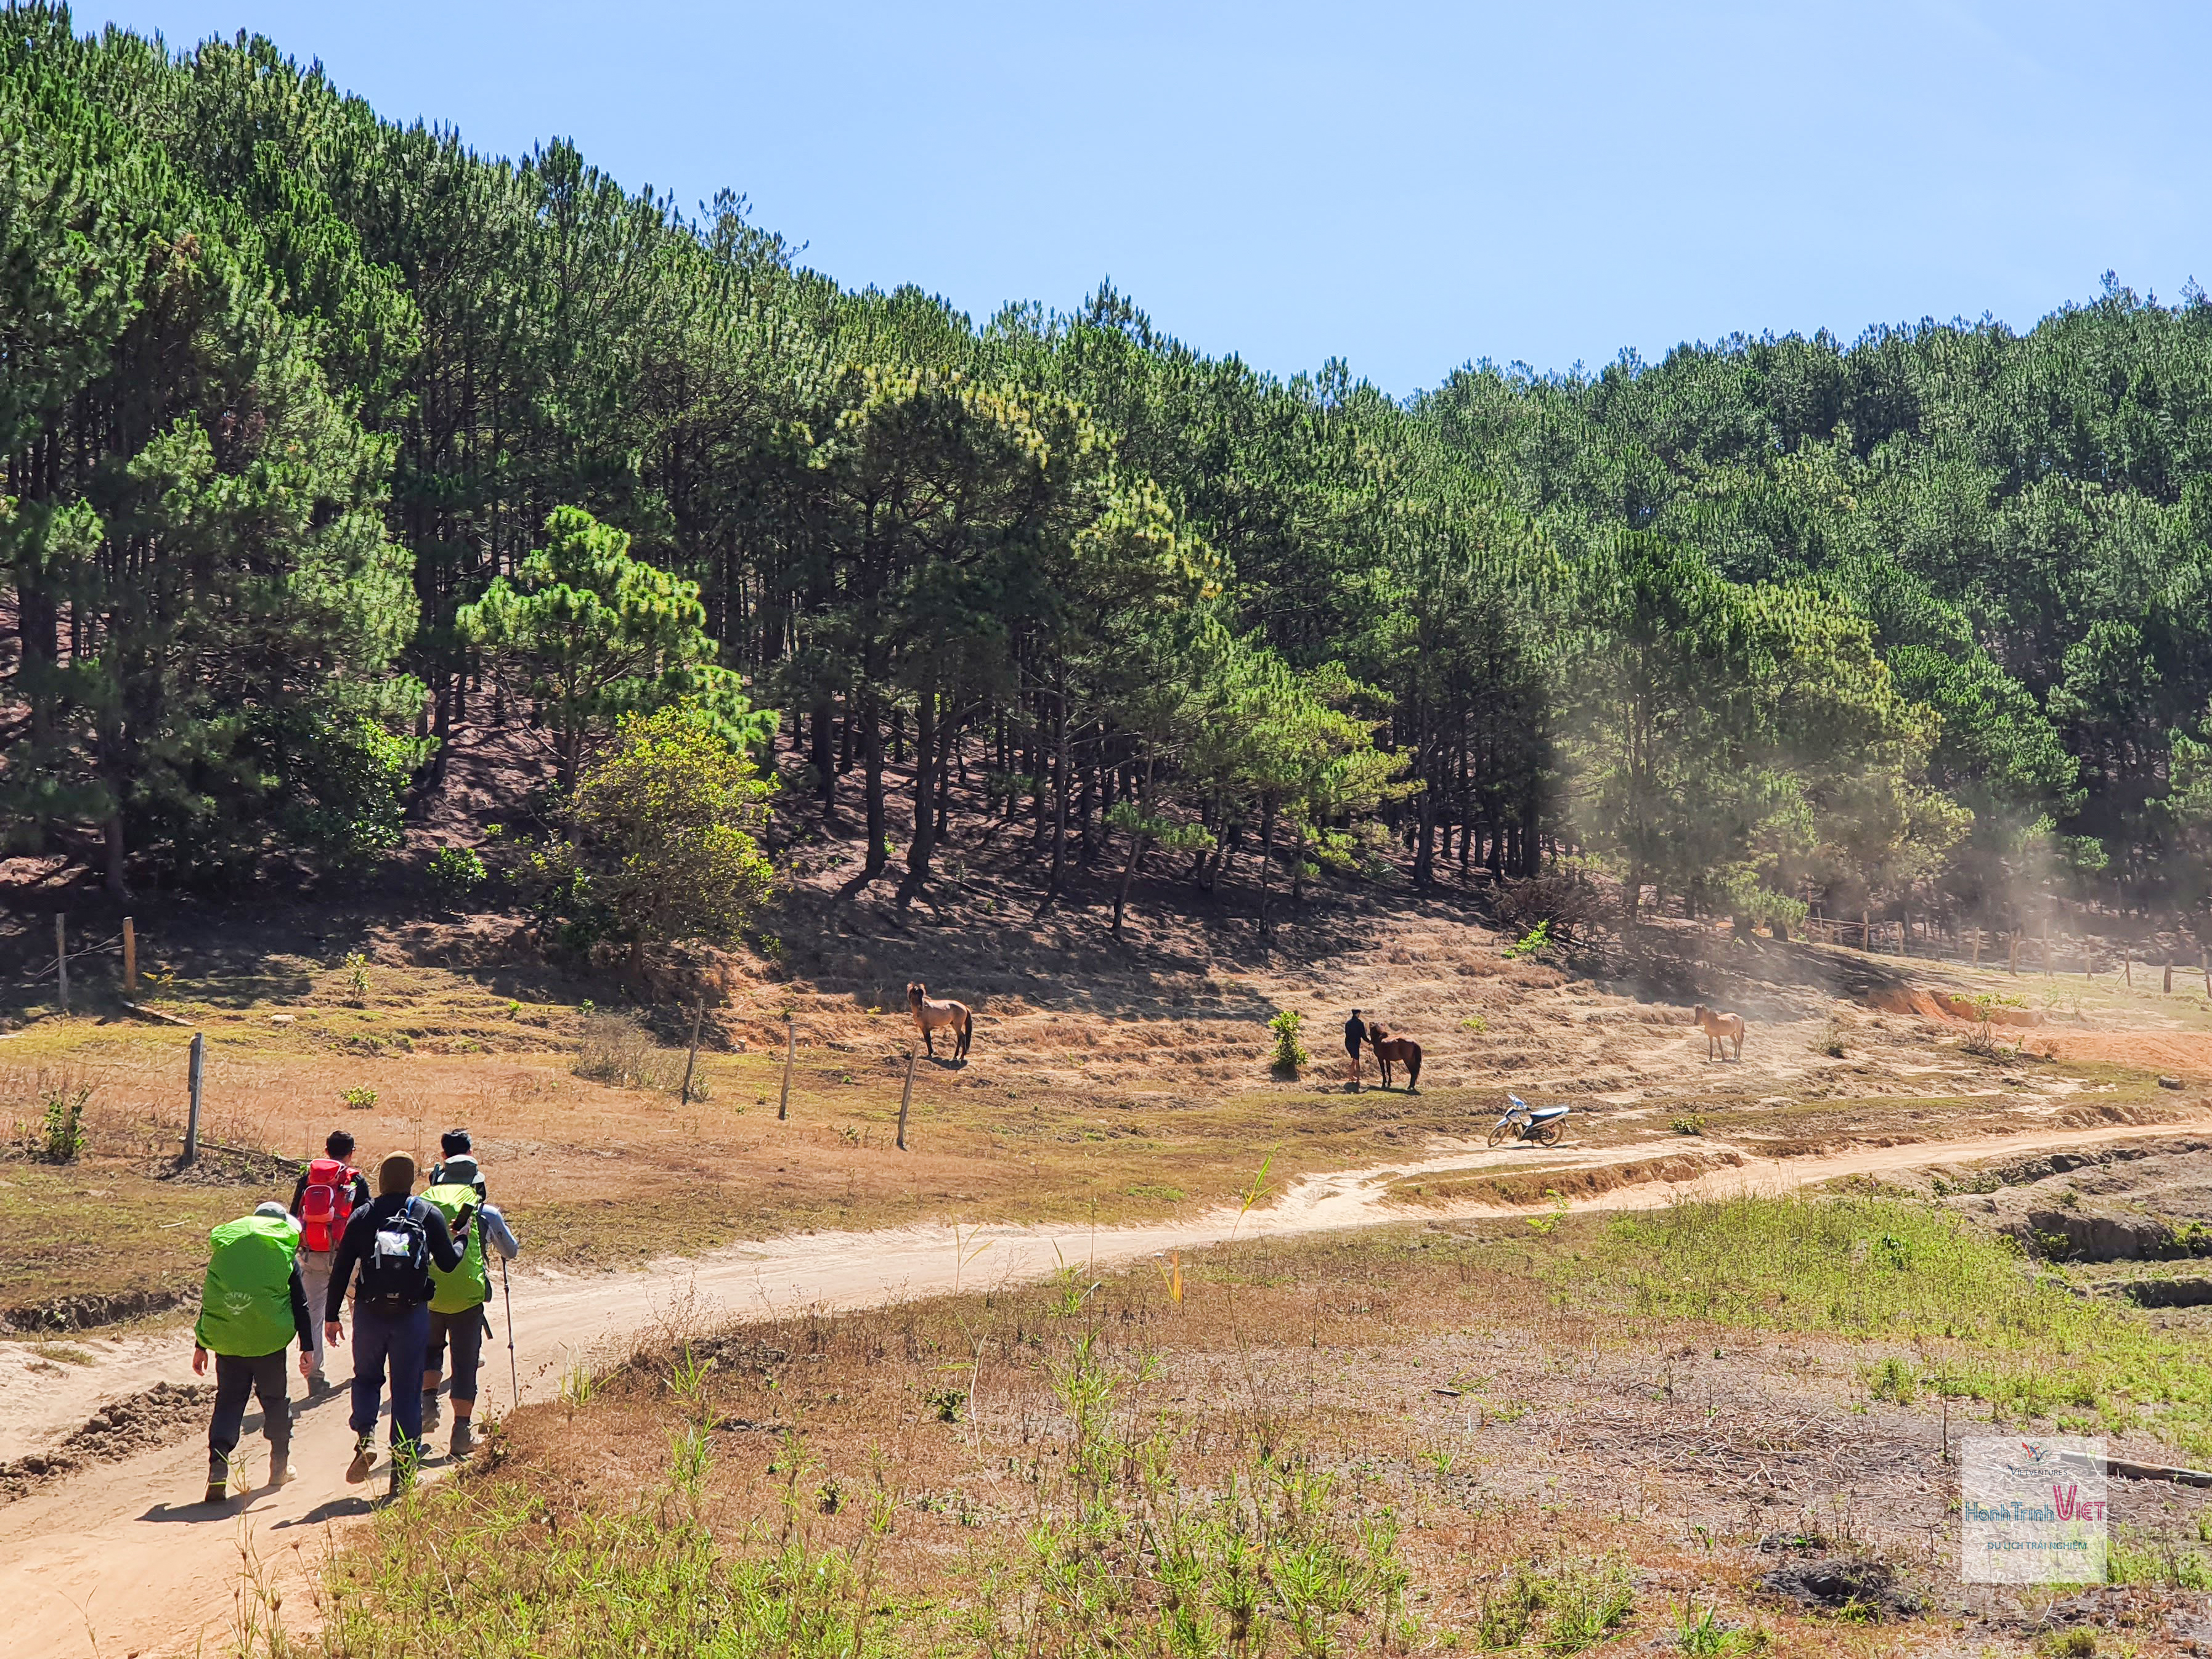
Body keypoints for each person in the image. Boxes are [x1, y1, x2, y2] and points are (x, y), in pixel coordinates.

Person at [323, 1152, 471, 1497]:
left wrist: (331, 1316)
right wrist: (461, 1236)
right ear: (411, 1181)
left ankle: (366, 1438)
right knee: (406, 1387)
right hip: (412, 1314)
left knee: (367, 1378)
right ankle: (402, 1472)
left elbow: (342, 1268)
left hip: (370, 1313)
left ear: (382, 1180)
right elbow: (448, 1264)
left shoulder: (364, 1214)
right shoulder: (426, 1214)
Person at [193, 1201, 314, 1504]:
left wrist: (201, 1344)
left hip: (230, 1340)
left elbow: (213, 1299)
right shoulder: (283, 1255)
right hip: (268, 1343)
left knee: (229, 1401)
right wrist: (308, 1345)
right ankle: (279, 1468)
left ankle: (218, 1469)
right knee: (275, 1400)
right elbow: (300, 1302)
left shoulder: (228, 1254)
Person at [418, 1152, 519, 1456]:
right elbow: (510, 1251)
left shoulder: (422, 1207)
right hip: (467, 1298)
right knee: (464, 1365)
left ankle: (428, 1406)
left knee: (431, 1352)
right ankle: (461, 1434)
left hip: (429, 1295)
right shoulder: (485, 1212)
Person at [290, 1130, 370, 1393]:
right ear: (352, 1152)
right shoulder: (356, 1181)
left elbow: (293, 1217)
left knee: (313, 1313)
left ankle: (314, 1374)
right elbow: (366, 1220)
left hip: (312, 1254)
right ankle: (364, 1367)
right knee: (359, 1309)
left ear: (326, 1151)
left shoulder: (308, 1180)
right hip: (348, 1257)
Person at [428, 1128, 486, 1199]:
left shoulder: (436, 1177)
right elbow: (482, 1197)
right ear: (471, 1153)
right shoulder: (477, 1177)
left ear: (443, 1155)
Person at [1344, 1008, 1367, 1092]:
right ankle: (1357, 1079)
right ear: (1358, 1014)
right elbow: (1363, 1035)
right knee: (1357, 1061)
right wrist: (1369, 1041)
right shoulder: (1360, 1023)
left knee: (1354, 1059)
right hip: (1355, 1044)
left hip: (1348, 1044)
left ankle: (1350, 1076)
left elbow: (1347, 1034)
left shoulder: (1348, 1023)